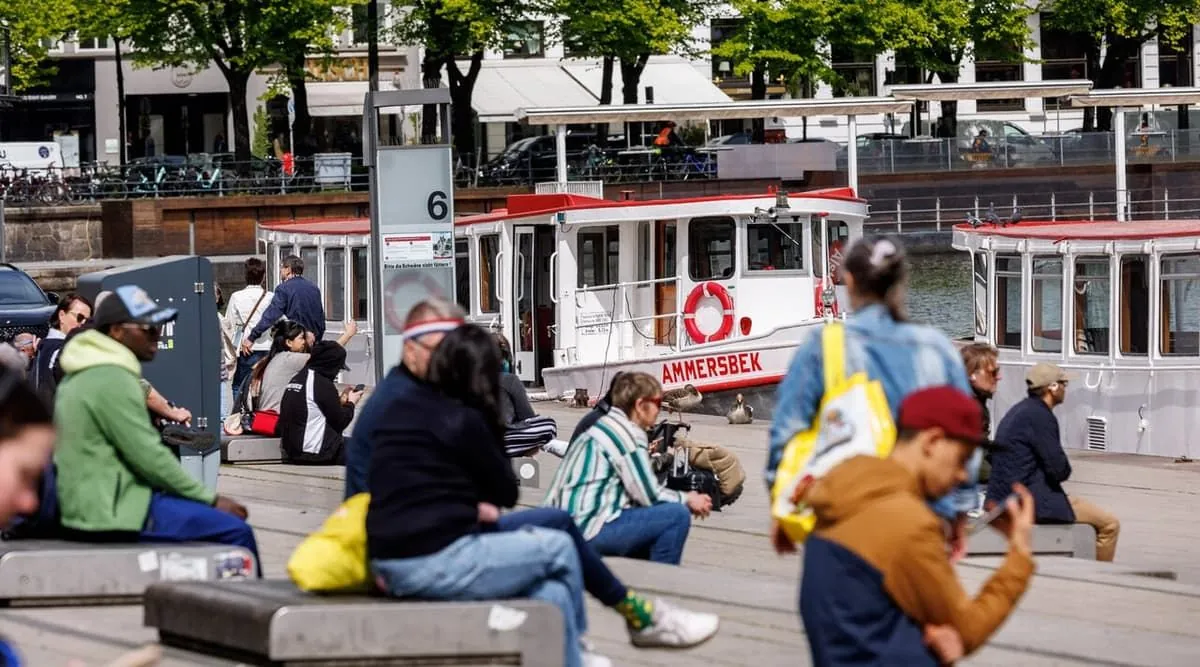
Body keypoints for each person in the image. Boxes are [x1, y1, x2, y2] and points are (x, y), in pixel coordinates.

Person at [348, 300, 719, 655]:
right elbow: (497, 489)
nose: (448, 361)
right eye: (440, 350)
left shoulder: (419, 395)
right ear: (411, 348)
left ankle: (577, 652)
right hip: (414, 549)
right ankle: (639, 616)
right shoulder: (411, 404)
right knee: (560, 548)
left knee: (557, 541)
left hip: (431, 532)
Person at [366, 323, 592, 667]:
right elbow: (505, 491)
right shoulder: (466, 416)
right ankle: (592, 639)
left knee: (554, 594)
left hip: (386, 554)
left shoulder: (401, 410)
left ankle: (573, 656)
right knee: (559, 547)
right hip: (429, 560)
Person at [768, 235, 981, 559]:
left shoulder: (823, 345)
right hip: (917, 517)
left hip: (841, 518)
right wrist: (959, 513)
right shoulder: (937, 348)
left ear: (849, 280)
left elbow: (787, 432)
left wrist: (782, 504)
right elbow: (965, 437)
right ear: (900, 282)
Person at [800, 386, 1036, 666]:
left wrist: (921, 625)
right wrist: (1019, 556)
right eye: (962, 458)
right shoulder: (906, 522)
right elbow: (966, 627)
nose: (962, 475)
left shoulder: (842, 493)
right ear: (932, 441)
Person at [53, 284, 259, 571]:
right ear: (116, 331)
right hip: (112, 513)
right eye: (148, 327)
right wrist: (209, 499)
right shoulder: (111, 379)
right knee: (236, 531)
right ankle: (242, 611)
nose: (157, 333)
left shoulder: (86, 371)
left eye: (159, 325)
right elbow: (148, 455)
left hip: (94, 503)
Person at [543, 371, 713, 565]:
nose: (659, 411)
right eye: (657, 404)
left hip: (561, 525)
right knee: (676, 515)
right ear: (640, 406)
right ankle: (662, 581)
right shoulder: (629, 432)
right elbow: (648, 494)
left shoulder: (603, 424)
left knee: (645, 519)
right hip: (585, 529)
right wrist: (689, 498)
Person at [987, 363, 1120, 562]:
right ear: (1053, 387)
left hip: (1006, 496)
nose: (1066, 388)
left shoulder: (1020, 410)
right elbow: (1060, 469)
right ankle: (1101, 577)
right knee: (1109, 525)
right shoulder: (1040, 416)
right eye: (1064, 383)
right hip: (1029, 502)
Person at [278, 340, 362, 464]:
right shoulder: (322, 383)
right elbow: (341, 421)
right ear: (331, 365)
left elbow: (314, 409)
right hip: (317, 452)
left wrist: (341, 401)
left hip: (293, 450)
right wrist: (352, 403)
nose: (337, 373)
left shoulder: (299, 378)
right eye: (338, 368)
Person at [494, 333, 564, 457]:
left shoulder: (467, 379)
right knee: (548, 425)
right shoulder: (509, 380)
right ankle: (547, 444)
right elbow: (527, 416)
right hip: (501, 441)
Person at [241, 255, 325, 355]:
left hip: (293, 344)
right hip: (312, 344)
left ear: (288, 269)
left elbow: (271, 315)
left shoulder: (283, 289)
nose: (280, 271)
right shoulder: (314, 288)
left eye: (282, 267)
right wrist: (316, 339)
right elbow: (320, 318)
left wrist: (252, 337)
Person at [225, 257, 274, 406]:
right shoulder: (271, 297)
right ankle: (260, 415)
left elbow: (229, 324)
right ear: (263, 276)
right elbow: (279, 321)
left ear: (245, 276)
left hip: (246, 349)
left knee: (239, 385)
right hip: (267, 347)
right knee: (264, 383)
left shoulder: (236, 297)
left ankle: (239, 416)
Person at [961, 342, 1000, 505]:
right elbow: (971, 461)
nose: (999, 377)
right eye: (993, 372)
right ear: (972, 375)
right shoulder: (967, 407)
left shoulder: (975, 401)